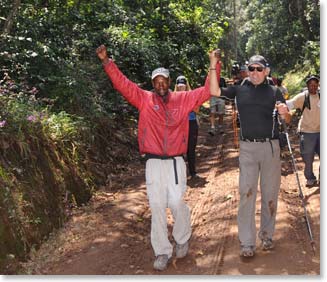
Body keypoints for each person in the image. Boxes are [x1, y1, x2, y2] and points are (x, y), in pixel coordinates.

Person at [96, 45, 221, 270]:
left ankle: (182, 238)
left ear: (169, 81)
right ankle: (162, 251)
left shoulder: (183, 99)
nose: (161, 84)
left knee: (175, 202)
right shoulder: (144, 99)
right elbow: (123, 85)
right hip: (153, 162)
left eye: (164, 80)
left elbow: (207, 90)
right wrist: (107, 62)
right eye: (157, 81)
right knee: (156, 205)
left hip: (175, 162)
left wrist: (215, 64)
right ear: (153, 84)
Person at [209, 53, 290, 258]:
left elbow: (288, 117)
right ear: (247, 70)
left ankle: (267, 235)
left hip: (270, 148)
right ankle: (246, 242)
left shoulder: (275, 91)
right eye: (251, 69)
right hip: (247, 148)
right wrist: (213, 64)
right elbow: (214, 90)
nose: (255, 73)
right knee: (246, 193)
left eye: (259, 69)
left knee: (270, 194)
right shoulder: (239, 90)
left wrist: (284, 113)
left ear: (266, 71)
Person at [286, 75, 320, 187]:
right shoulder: (303, 97)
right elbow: (289, 105)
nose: (313, 87)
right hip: (307, 131)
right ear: (307, 85)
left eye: (315, 84)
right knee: (308, 158)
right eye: (311, 85)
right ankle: (310, 178)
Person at [174, 75, 199, 179]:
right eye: (179, 86)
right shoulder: (173, 96)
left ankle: (193, 172)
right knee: (178, 150)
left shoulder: (192, 95)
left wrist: (189, 105)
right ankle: (180, 174)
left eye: (183, 86)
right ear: (176, 86)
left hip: (191, 123)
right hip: (178, 125)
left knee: (190, 149)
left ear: (186, 86)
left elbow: (197, 109)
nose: (181, 88)